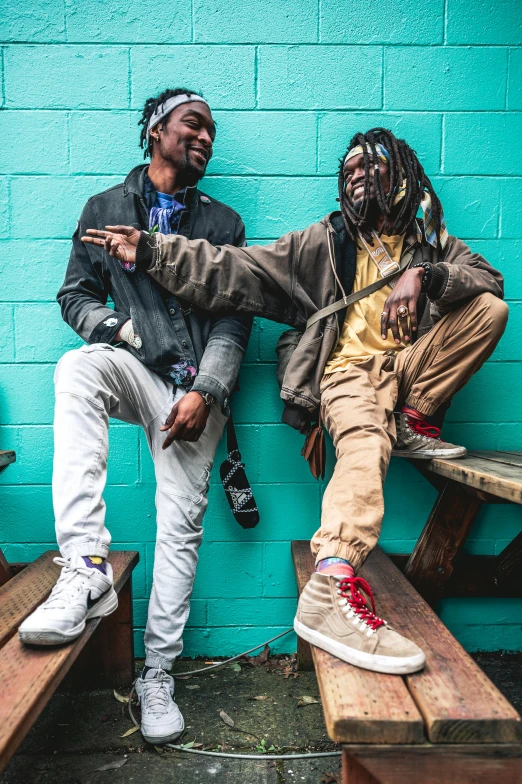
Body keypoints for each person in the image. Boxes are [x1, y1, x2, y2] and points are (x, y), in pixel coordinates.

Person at [82, 128, 508, 676]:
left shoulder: (432, 241)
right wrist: (154, 249)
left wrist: (427, 276)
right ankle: (332, 585)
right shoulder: (324, 243)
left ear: (400, 176)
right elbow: (237, 267)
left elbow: (487, 280)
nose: (356, 176)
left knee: (490, 311)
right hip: (349, 373)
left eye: (369, 167)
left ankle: (412, 417)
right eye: (348, 171)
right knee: (363, 445)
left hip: (407, 372)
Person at [19, 89, 252, 744]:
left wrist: (206, 390)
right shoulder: (106, 210)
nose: (205, 137)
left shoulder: (223, 224)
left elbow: (235, 318)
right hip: (135, 368)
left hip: (194, 394)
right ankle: (86, 569)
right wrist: (116, 329)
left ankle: (158, 675)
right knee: (77, 369)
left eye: (212, 130)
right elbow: (74, 294)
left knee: (180, 525)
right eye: (192, 125)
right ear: (156, 130)